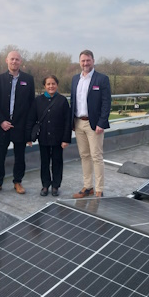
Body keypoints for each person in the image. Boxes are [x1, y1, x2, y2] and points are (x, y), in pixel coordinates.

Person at [0, 51, 35, 195]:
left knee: (20, 156)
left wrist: (28, 125)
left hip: (20, 125)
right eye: (12, 59)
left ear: (21, 62)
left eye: (17, 59)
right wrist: (1, 121)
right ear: (7, 60)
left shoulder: (28, 79)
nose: (14, 61)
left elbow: (31, 103)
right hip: (1, 125)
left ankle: (18, 182)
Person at [71, 49, 111, 198]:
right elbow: (73, 101)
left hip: (94, 125)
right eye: (83, 61)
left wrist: (102, 122)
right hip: (78, 123)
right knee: (84, 156)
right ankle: (88, 187)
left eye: (88, 60)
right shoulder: (76, 79)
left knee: (96, 156)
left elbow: (106, 103)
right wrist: (72, 123)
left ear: (93, 61)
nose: (85, 63)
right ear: (79, 62)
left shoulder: (102, 79)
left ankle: (99, 189)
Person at [26, 75, 72, 196]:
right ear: (44, 86)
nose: (51, 86)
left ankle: (56, 185)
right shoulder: (38, 100)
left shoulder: (62, 100)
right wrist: (29, 137)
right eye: (48, 84)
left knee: (57, 162)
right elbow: (31, 119)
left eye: (53, 84)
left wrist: (66, 139)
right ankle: (45, 185)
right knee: (44, 162)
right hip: (43, 137)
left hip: (58, 138)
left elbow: (68, 121)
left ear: (57, 85)